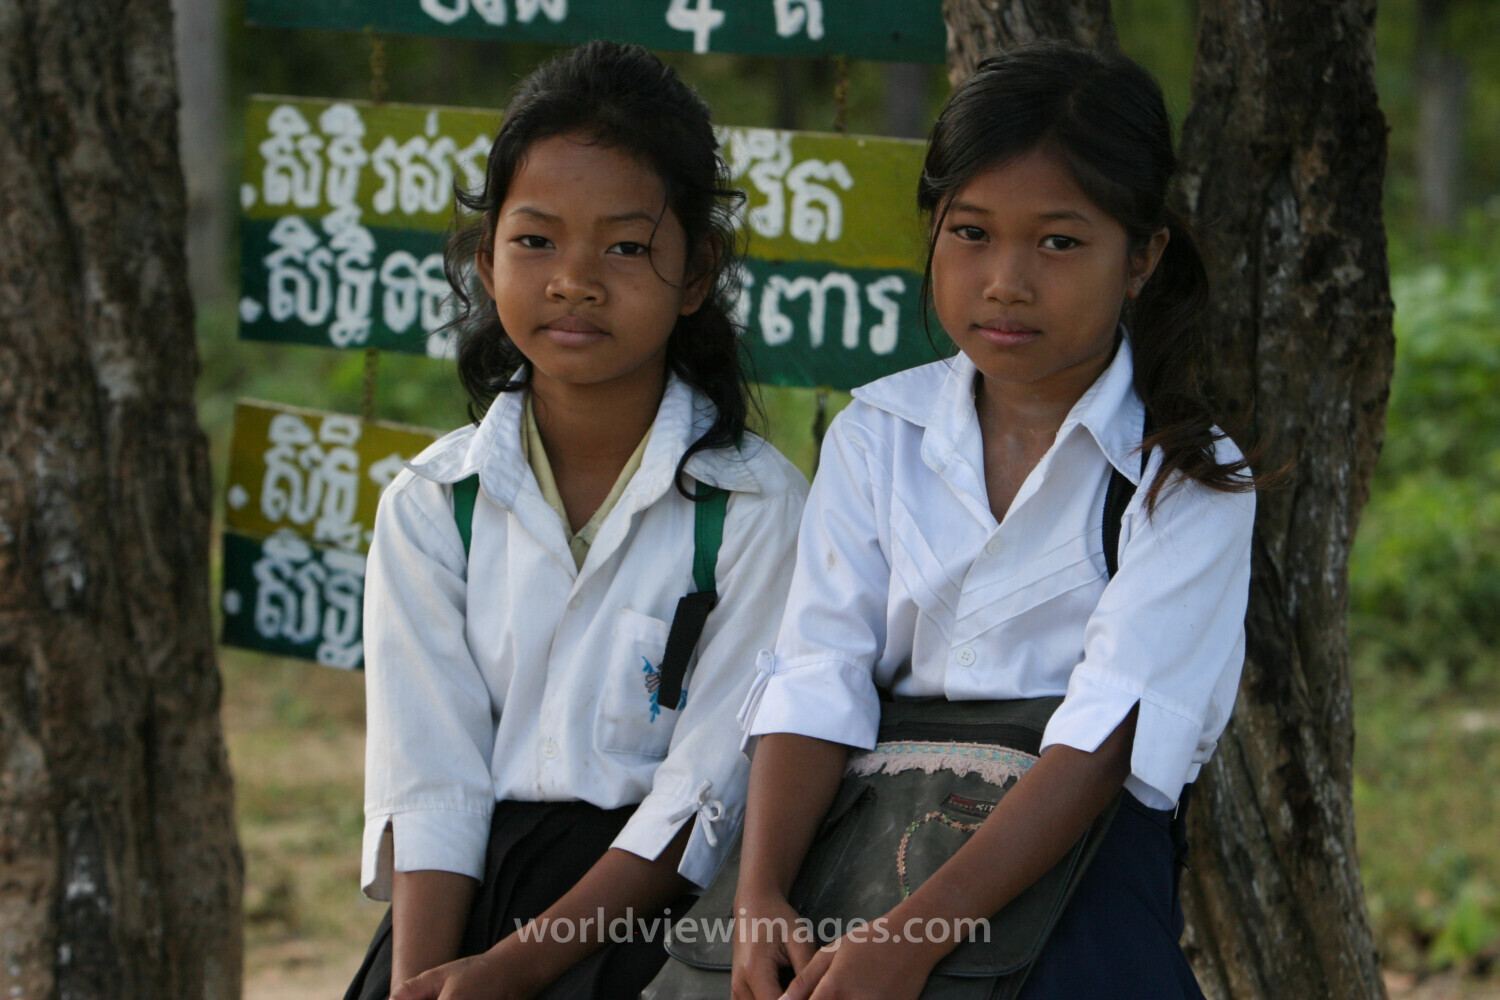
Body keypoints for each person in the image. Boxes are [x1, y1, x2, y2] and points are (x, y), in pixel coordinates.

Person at [731, 42, 1260, 1000]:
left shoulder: (1185, 477)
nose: (1006, 280)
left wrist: (915, 935)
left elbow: (1106, 742)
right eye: (971, 232)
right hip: (863, 846)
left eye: (1059, 243)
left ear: (1142, 257)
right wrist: (761, 889)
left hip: (1075, 873)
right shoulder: (876, 437)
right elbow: (818, 673)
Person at [342, 41, 807, 1000]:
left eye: (626, 246)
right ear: (485, 259)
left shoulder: (754, 509)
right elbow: (432, 785)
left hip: (658, 913)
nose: (574, 280)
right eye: (536, 240)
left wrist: (512, 973)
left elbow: (701, 798)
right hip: (464, 902)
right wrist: (429, 980)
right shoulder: (435, 505)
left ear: (695, 271)